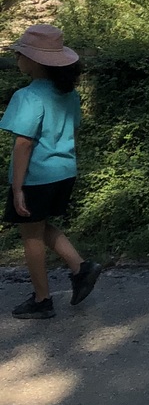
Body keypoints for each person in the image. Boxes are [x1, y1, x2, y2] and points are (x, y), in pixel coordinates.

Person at [3, 24, 101, 319]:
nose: (17, 58)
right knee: (39, 225)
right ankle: (81, 268)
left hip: (36, 176)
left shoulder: (27, 96)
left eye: (21, 54)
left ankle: (42, 299)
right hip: (64, 171)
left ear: (35, 61)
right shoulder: (69, 95)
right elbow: (72, 130)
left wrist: (17, 187)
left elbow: (24, 144)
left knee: (30, 236)